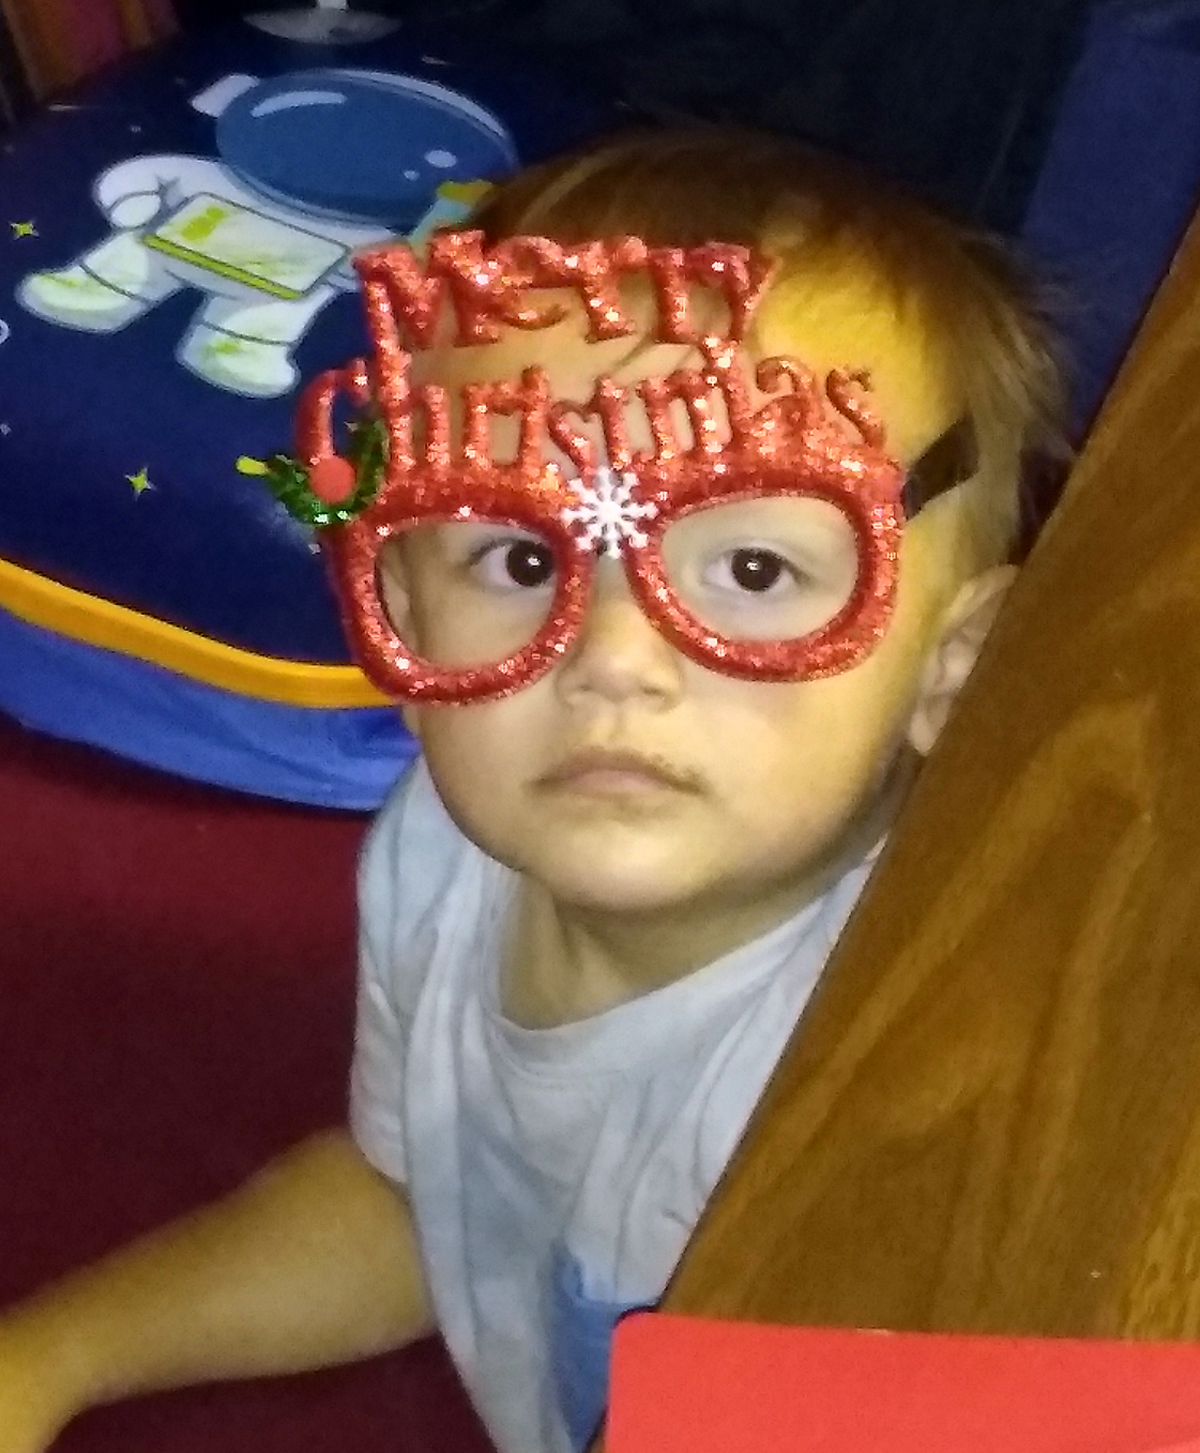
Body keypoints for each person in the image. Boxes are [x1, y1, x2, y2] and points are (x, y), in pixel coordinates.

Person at [0, 127, 1065, 1453]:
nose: (613, 658)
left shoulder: (875, 1087)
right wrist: (52, 1356)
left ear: (954, 669)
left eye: (752, 571)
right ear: (402, 613)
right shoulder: (442, 851)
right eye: (518, 559)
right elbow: (417, 1207)